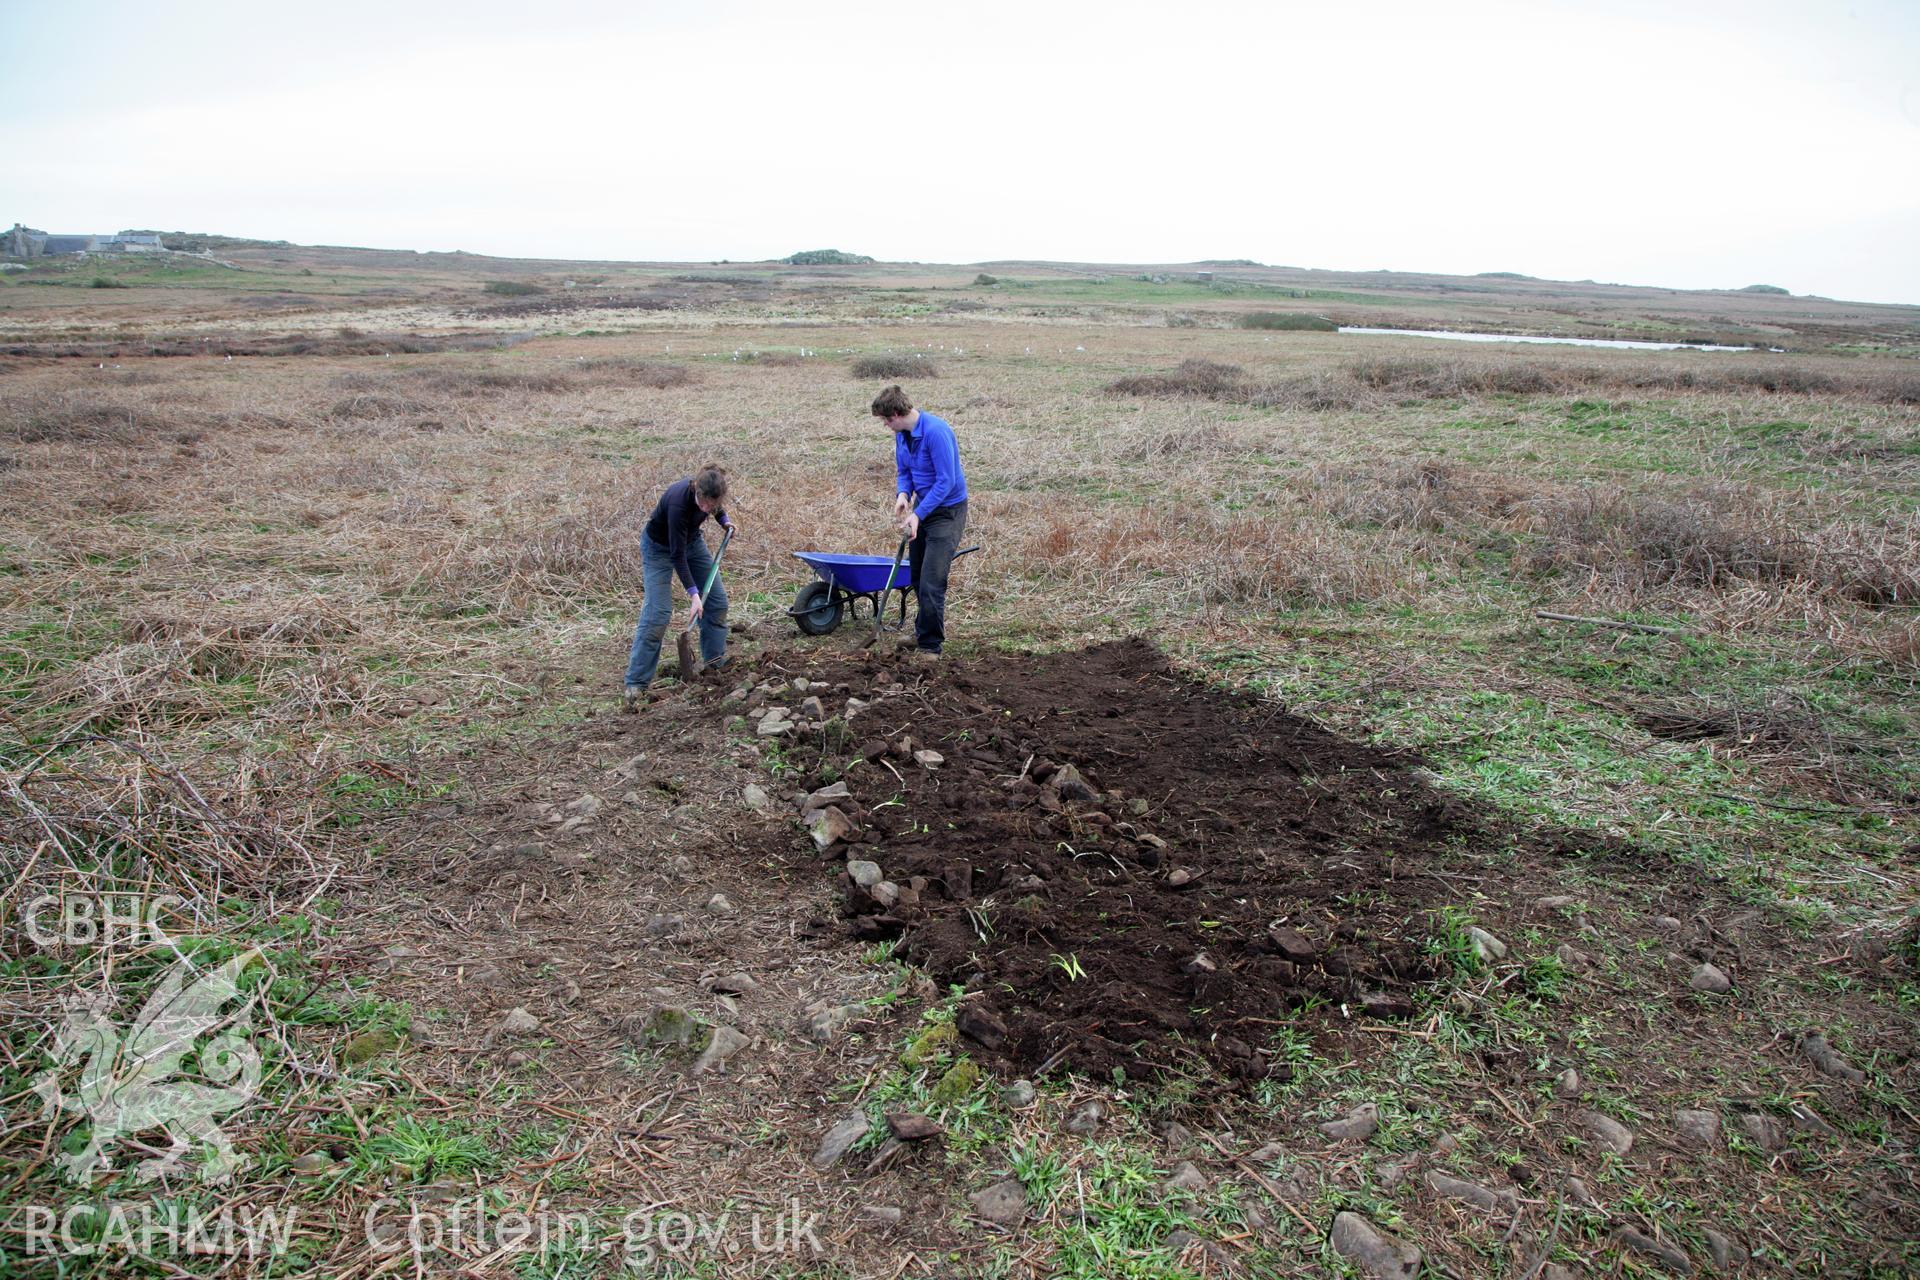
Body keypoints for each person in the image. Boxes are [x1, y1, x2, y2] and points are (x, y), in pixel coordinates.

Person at [625, 463, 734, 703]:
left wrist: (724, 521)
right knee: (658, 613)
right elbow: (677, 555)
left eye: (711, 505)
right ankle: (636, 683)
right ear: (696, 489)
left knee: (717, 602)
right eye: (703, 503)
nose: (706, 508)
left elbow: (716, 508)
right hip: (659, 549)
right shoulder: (678, 502)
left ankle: (714, 664)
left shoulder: (710, 496)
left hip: (693, 543)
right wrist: (694, 596)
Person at [872, 384, 968, 657]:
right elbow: (905, 470)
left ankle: (930, 646)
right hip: (923, 509)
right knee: (916, 576)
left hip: (946, 512)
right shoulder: (903, 435)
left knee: (932, 581)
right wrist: (903, 493)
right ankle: (923, 630)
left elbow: (946, 481)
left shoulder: (936, 432)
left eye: (885, 420)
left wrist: (918, 514)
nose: (886, 426)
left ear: (895, 414)